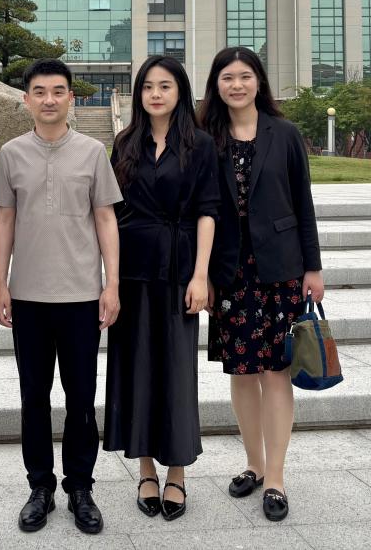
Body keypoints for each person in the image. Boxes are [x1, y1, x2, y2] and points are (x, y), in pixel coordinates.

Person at [0, 59, 122, 535]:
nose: (49, 99)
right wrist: (1, 283)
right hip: (28, 295)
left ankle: (81, 487)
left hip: (81, 295)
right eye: (40, 92)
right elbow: (5, 218)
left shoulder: (93, 152)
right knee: (33, 397)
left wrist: (111, 284)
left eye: (58, 91)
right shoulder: (11, 154)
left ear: (71, 97)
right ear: (26, 99)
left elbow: (105, 218)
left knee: (81, 398)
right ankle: (40, 487)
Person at [197, 46, 323, 523]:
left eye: (245, 76)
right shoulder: (206, 139)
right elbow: (202, 210)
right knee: (242, 372)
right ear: (216, 85)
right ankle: (253, 463)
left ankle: (276, 477)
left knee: (275, 371)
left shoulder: (284, 133)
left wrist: (313, 268)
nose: (236, 85)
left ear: (259, 82)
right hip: (231, 273)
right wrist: (204, 274)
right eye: (227, 77)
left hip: (281, 269)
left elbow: (303, 203)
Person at [103, 55, 218, 522]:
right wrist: (109, 279)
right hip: (132, 268)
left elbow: (208, 211)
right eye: (148, 86)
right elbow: (109, 212)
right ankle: (146, 469)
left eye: (165, 85)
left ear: (180, 92)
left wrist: (201, 275)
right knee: (135, 369)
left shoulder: (200, 144)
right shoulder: (125, 142)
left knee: (175, 370)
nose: (155, 94)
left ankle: (178, 472)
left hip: (178, 268)